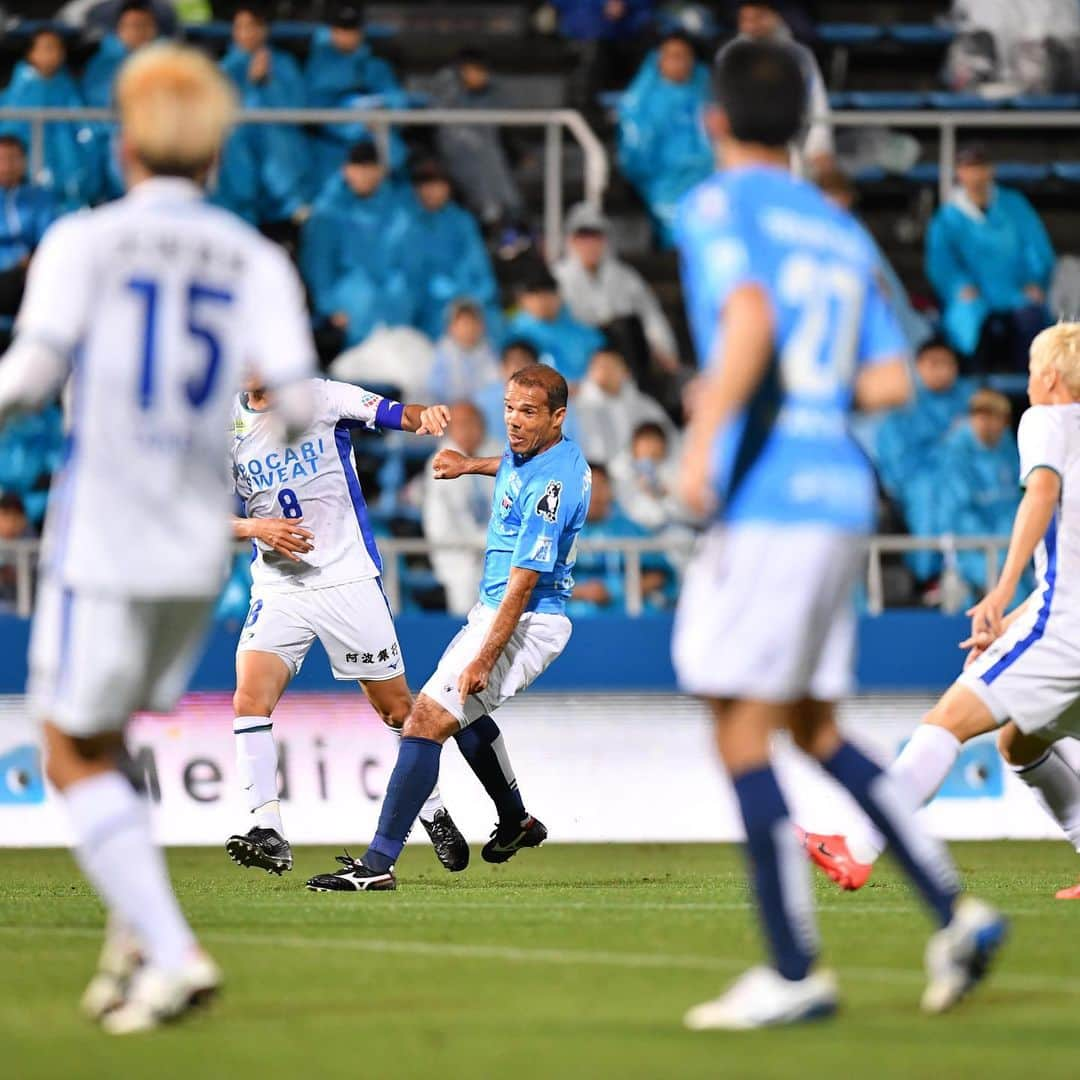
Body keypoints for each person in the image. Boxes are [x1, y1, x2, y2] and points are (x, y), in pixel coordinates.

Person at [672, 40, 1005, 1031]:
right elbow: (893, 381)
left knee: (739, 727)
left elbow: (745, 317)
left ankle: (792, 968)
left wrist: (703, 439)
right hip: (840, 491)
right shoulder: (839, 228)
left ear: (714, 120)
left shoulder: (717, 207)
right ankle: (954, 910)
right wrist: (812, 392)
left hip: (768, 493)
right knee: (810, 728)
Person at [0, 44, 316, 1033]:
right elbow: (299, 404)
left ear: (126, 142)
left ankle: (172, 950)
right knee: (109, 739)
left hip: (104, 538)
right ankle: (133, 943)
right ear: (216, 152)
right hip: (196, 550)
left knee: (66, 752)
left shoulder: (85, 240)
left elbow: (29, 379)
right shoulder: (257, 256)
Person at [804, 324, 1080, 902]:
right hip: (1063, 615)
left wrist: (1002, 592)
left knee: (946, 722)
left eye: (1032, 372)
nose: (1028, 383)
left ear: (1049, 377)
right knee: (1020, 744)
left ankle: (859, 847)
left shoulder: (1045, 421)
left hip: (1065, 625)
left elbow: (1041, 494)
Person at [304, 364, 590, 890]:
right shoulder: (541, 455)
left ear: (558, 417)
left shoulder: (555, 486)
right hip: (501, 610)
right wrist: (467, 465)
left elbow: (522, 586)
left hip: (524, 618)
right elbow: (510, 468)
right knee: (466, 713)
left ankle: (378, 864)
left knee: (426, 720)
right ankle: (516, 821)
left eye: (528, 412)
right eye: (509, 408)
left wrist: (484, 657)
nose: (514, 421)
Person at [226, 378, 469, 875]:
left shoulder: (319, 396)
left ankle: (434, 809)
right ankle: (268, 829)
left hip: (347, 578)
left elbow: (392, 412)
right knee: (249, 699)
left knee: (398, 711)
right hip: (279, 587)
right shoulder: (221, 429)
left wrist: (425, 416)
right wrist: (256, 528)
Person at [927, 144, 1054, 369]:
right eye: (968, 168)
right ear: (959, 173)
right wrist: (959, 286)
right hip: (975, 300)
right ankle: (976, 392)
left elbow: (1037, 248)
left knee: (1031, 322)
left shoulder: (1014, 205)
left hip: (1015, 292)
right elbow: (941, 263)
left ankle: (1029, 391)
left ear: (990, 171)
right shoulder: (947, 218)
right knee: (969, 324)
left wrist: (1034, 281)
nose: (975, 175)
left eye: (980, 167)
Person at [299, 139, 415, 347]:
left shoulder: (398, 211)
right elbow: (318, 266)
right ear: (346, 170)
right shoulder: (328, 212)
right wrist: (330, 307)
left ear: (379, 171)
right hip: (350, 308)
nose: (363, 175)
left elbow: (409, 262)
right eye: (358, 168)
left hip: (393, 309)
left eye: (369, 168)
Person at [553, 202, 681, 383]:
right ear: (571, 240)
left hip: (621, 352)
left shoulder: (626, 276)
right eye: (582, 237)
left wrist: (664, 348)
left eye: (595, 237)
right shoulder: (557, 278)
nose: (589, 244)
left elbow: (650, 315)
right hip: (577, 353)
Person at [817, 167, 933, 352]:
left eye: (841, 194)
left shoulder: (855, 230)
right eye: (830, 195)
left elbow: (880, 277)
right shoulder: (809, 230)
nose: (838, 202)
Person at [217, 2, 311, 225]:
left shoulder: (285, 65)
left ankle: (289, 203)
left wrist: (268, 83)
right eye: (242, 26)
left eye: (254, 26)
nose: (248, 33)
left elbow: (299, 109)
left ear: (265, 30)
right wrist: (250, 85)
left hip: (280, 156)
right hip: (239, 165)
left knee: (275, 132)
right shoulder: (223, 69)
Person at [617, 30, 713, 247]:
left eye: (683, 56)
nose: (678, 62)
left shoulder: (709, 92)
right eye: (671, 56)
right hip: (664, 184)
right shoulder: (642, 101)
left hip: (709, 181)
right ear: (659, 60)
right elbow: (636, 155)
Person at [303, 2, 408, 184]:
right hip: (332, 149)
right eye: (341, 29)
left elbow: (397, 101)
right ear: (331, 31)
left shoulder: (376, 65)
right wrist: (357, 124)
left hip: (376, 141)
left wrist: (383, 110)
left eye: (352, 29)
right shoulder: (316, 67)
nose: (347, 35)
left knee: (394, 158)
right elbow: (315, 111)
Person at [725, 1, 834, 175]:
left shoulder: (799, 55)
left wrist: (819, 147)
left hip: (792, 151)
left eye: (759, 18)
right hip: (744, 154)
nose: (752, 25)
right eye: (746, 19)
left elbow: (816, 101)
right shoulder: (729, 57)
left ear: (775, 17)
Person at [403, 158, 500, 340]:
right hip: (428, 306)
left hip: (465, 297)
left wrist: (469, 295)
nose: (432, 191)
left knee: (489, 321)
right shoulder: (407, 224)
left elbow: (478, 267)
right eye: (426, 185)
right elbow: (410, 272)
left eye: (438, 185)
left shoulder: (462, 221)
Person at [938, 389, 1023, 597]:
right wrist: (998, 551)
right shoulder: (955, 454)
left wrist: (1011, 547)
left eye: (994, 417)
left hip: (1010, 548)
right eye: (980, 415)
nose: (986, 423)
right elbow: (958, 515)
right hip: (969, 551)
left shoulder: (1008, 449)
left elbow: (1017, 503)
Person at [0, 29, 98, 208]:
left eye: (58, 48)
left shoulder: (71, 90)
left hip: (70, 190)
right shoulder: (16, 94)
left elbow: (86, 135)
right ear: (31, 53)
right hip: (24, 192)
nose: (54, 54)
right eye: (47, 47)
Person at [429, 47, 523, 226]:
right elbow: (444, 124)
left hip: (486, 157)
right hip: (451, 155)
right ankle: (492, 211)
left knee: (488, 154)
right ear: (461, 70)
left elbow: (504, 126)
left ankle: (504, 213)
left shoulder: (491, 93)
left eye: (482, 71)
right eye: (473, 70)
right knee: (477, 149)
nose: (480, 76)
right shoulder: (447, 86)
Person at [422, 400, 497, 615]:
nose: (469, 429)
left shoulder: (496, 454)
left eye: (474, 423)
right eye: (462, 424)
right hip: (454, 548)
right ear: (451, 429)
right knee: (465, 589)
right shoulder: (439, 461)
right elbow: (460, 515)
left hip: (488, 545)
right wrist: (488, 540)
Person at [569, 461, 671, 613]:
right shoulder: (559, 533)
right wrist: (582, 592)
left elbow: (659, 575)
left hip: (628, 616)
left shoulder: (632, 530)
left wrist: (619, 591)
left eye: (600, 486)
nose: (594, 494)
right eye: (587, 487)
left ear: (610, 490)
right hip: (575, 619)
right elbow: (541, 583)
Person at [504, 266, 605, 387]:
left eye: (546, 295)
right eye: (534, 296)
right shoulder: (514, 333)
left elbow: (602, 355)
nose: (540, 302)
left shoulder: (578, 320)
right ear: (523, 301)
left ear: (558, 296)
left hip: (586, 389)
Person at [574, 347, 673, 465]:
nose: (606, 371)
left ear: (625, 371)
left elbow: (669, 439)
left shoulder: (644, 404)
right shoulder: (578, 409)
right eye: (600, 366)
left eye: (611, 366)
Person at [0, 137, 58, 320]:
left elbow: (49, 240)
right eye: (2, 159)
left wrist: (31, 260)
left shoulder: (41, 199)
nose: (7, 166)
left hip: (23, 276)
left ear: (24, 162)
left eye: (13, 159)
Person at [610, 420, 686, 532]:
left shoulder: (674, 472)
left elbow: (681, 511)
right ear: (634, 445)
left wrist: (662, 493)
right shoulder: (618, 470)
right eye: (646, 442)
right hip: (626, 530)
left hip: (664, 530)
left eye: (655, 443)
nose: (650, 448)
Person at [427, 300, 500, 404]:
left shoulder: (490, 351)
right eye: (464, 323)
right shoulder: (442, 353)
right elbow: (435, 390)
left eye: (474, 322)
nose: (470, 328)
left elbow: (495, 385)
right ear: (451, 327)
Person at [476, 339, 538, 437]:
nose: (518, 367)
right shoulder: (482, 400)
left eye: (524, 361)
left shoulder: (547, 399)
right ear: (502, 367)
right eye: (513, 362)